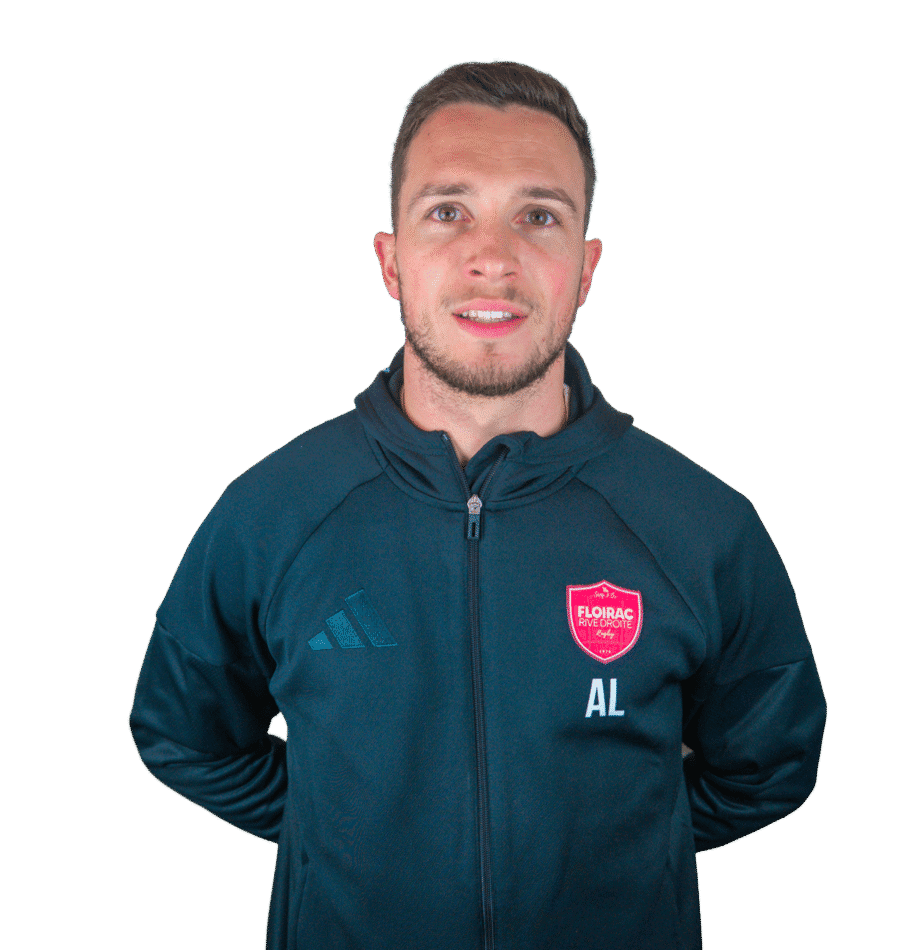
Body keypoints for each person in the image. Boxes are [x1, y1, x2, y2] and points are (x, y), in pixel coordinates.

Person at [130, 60, 826, 950]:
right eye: (447, 211)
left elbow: (769, 765)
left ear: (585, 267)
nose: (491, 256)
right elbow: (181, 734)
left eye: (538, 216)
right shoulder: (272, 514)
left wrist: (611, 850)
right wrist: (338, 836)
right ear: (390, 260)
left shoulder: (700, 527)